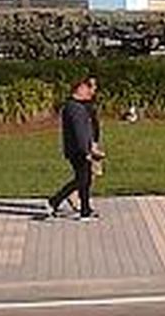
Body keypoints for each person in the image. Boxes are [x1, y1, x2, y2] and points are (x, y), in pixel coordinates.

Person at [47, 74, 103, 220]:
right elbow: (79, 133)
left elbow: (90, 127)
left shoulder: (80, 106)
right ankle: (55, 200)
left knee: (86, 179)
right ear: (81, 88)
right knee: (82, 179)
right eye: (90, 87)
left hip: (82, 148)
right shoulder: (74, 108)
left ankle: (85, 209)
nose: (92, 91)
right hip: (78, 150)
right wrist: (87, 151)